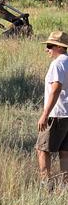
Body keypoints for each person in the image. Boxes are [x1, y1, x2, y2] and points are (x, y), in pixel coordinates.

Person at [36, 30, 68, 187]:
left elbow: (56, 89)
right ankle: (65, 183)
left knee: (43, 149)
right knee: (65, 151)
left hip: (57, 113)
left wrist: (45, 114)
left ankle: (46, 183)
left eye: (50, 46)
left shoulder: (58, 63)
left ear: (60, 47)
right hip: (66, 114)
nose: (46, 49)